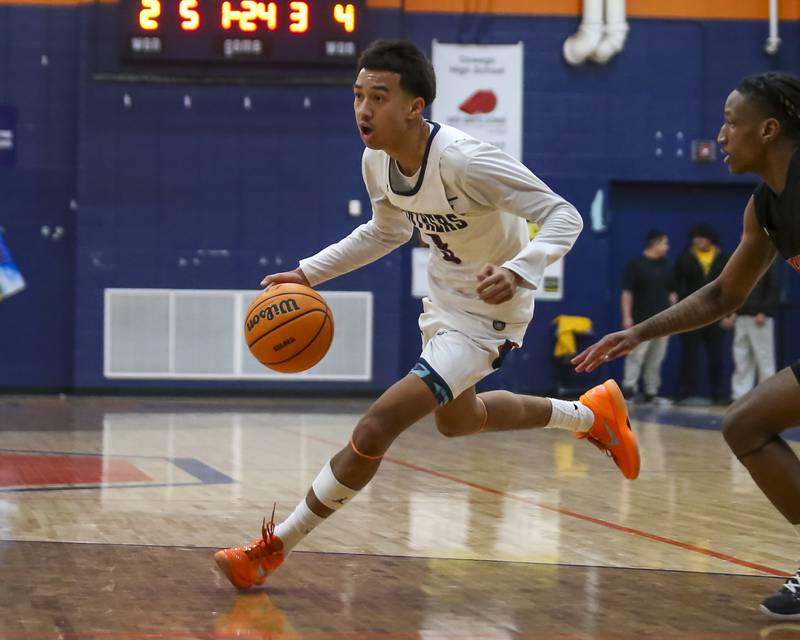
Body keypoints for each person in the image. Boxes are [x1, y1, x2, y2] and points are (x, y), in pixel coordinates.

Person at [214, 39, 640, 590]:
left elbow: (564, 215)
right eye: (358, 96)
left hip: (490, 318)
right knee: (458, 421)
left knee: (377, 425)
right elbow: (386, 231)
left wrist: (520, 268)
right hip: (443, 306)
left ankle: (271, 550)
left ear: (416, 106)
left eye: (380, 97)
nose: (364, 109)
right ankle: (590, 416)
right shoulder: (377, 161)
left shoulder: (466, 162)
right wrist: (308, 273)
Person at [572, 71, 800, 619]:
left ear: (768, 130)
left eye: (729, 123)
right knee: (744, 423)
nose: (720, 136)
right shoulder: (765, 207)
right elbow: (724, 294)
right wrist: (638, 331)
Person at [672, 223, 729, 404]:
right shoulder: (685, 258)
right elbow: (678, 286)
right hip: (691, 312)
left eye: (701, 238)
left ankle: (719, 393)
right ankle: (684, 391)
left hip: (716, 312)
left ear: (710, 239)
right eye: (695, 238)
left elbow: (730, 286)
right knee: (689, 354)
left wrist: (730, 313)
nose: (697, 241)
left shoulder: (722, 257)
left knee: (716, 355)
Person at [620, 229, 676, 403]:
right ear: (655, 243)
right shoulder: (635, 265)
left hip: (664, 322)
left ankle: (651, 392)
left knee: (656, 358)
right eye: (665, 243)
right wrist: (627, 316)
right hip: (641, 320)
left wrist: (675, 315)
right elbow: (627, 293)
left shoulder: (667, 266)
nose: (667, 247)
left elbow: (672, 294)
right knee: (636, 356)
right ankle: (629, 391)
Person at [723, 258, 781, 401]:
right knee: (740, 357)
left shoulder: (769, 259)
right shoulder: (742, 259)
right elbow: (736, 288)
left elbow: (774, 287)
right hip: (742, 315)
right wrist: (732, 312)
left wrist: (765, 311)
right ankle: (739, 396)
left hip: (759, 317)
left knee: (764, 357)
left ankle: (767, 397)